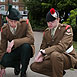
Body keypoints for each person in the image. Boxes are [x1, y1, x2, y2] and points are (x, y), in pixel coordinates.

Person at [30, 8, 77, 77]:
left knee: (55, 55)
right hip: (54, 58)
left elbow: (62, 47)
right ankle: (59, 73)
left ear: (58, 19)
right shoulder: (47, 32)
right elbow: (43, 47)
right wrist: (42, 56)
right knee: (34, 66)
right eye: (48, 22)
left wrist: (44, 52)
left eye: (52, 21)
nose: (49, 24)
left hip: (69, 58)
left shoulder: (66, 29)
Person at [0, 5, 35, 77]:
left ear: (18, 20)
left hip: (26, 49)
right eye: (11, 21)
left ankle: (23, 72)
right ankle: (17, 65)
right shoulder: (4, 29)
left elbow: (31, 39)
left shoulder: (25, 24)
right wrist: (2, 67)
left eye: (15, 21)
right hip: (15, 51)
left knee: (26, 47)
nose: (13, 24)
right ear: (7, 18)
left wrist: (14, 42)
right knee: (3, 60)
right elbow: (3, 48)